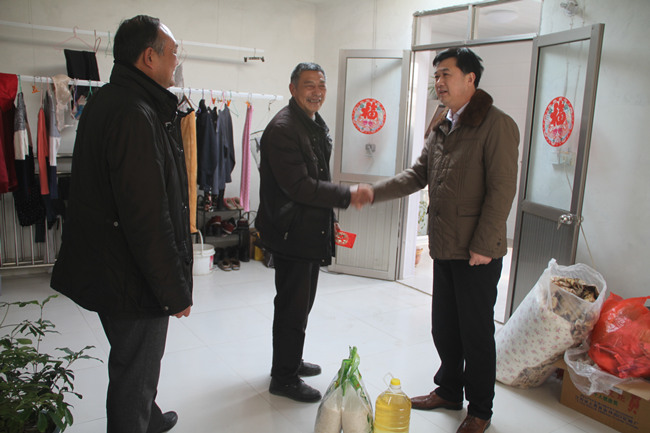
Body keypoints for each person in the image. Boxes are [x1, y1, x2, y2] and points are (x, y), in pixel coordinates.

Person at [50, 15, 192, 433]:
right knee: (135, 372)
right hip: (132, 277)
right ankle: (137, 419)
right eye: (173, 54)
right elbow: (147, 217)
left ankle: (149, 417)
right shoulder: (135, 113)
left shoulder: (112, 100)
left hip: (111, 264)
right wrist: (173, 291)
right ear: (149, 57)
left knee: (134, 360)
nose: (176, 61)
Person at [368, 47, 519, 433]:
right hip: (446, 244)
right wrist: (372, 192)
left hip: (477, 252)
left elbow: (502, 189)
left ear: (470, 79)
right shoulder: (443, 124)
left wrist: (484, 244)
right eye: (436, 75)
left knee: (476, 333)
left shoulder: (497, 125)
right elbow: (418, 174)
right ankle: (449, 391)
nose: (439, 82)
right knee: (444, 327)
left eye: (446, 74)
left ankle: (480, 410)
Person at [256, 62, 370, 403]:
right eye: (309, 85)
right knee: (292, 306)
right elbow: (300, 186)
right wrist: (347, 195)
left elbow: (319, 177)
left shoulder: (313, 124)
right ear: (293, 88)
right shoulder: (283, 129)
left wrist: (329, 217)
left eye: (321, 85)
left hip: (308, 228)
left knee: (302, 304)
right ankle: (284, 378)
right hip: (291, 231)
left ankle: (290, 360)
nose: (317, 91)